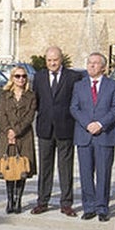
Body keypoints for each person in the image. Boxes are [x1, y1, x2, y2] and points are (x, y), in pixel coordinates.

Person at [70, 52, 115, 222]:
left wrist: (100, 124)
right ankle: (89, 207)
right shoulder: (79, 85)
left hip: (105, 135)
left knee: (104, 173)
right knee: (86, 173)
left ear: (103, 67)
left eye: (95, 63)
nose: (91, 66)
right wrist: (87, 124)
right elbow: (74, 108)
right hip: (84, 135)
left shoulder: (113, 85)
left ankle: (102, 208)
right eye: (89, 63)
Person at [31, 46, 81, 216]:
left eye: (55, 60)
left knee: (65, 168)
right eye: (49, 60)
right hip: (45, 128)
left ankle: (66, 203)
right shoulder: (39, 77)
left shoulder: (73, 77)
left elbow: (77, 101)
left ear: (61, 60)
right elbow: (36, 101)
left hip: (65, 128)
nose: (52, 63)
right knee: (45, 166)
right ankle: (42, 201)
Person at [0, 64, 38, 213]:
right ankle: (9, 200)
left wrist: (17, 131)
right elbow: (1, 116)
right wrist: (9, 131)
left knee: (21, 170)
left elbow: (29, 117)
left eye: (24, 76)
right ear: (12, 78)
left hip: (24, 136)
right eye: (18, 76)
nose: (21, 79)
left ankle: (18, 200)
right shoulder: (5, 95)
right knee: (9, 168)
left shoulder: (31, 96)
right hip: (7, 137)